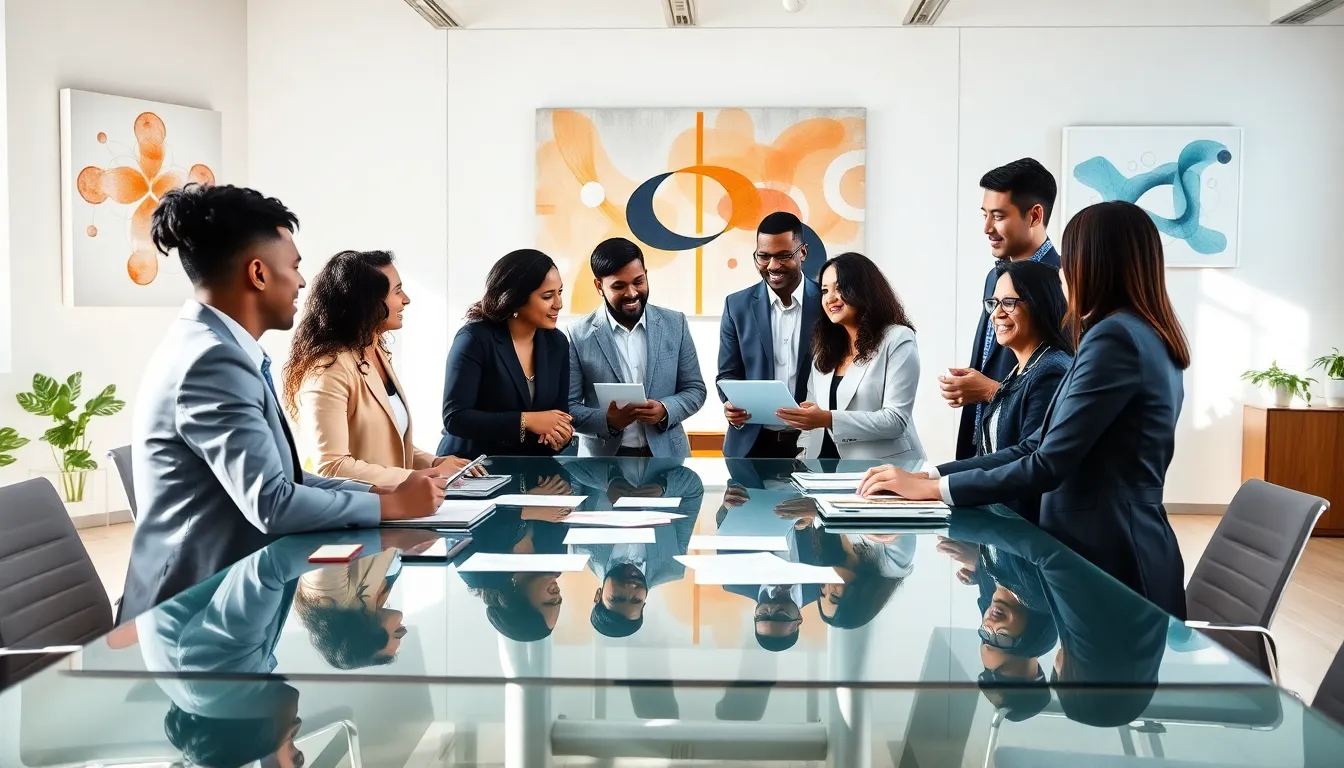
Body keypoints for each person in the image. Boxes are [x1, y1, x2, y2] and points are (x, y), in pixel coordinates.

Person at [119, 184, 444, 621]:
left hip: (232, 601)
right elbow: (272, 503)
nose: (303, 281)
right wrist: (390, 505)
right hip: (194, 616)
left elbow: (289, 479)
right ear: (258, 273)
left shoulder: (219, 347)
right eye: (294, 266)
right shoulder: (212, 361)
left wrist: (383, 491)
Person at [860, 201, 1191, 618]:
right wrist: (931, 478)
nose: (1065, 273)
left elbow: (1048, 462)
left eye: (1069, 260)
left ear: (1094, 263)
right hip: (1112, 546)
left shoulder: (1114, 339)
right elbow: (1036, 445)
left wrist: (932, 490)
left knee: (1108, 683)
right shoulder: (1137, 332)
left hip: (1111, 556)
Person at [284, 250, 480, 485]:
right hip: (358, 512)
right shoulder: (329, 369)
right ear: (367, 303)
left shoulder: (375, 351)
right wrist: (419, 478)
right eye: (397, 291)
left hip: (395, 507)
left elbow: (389, 447)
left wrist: (434, 463)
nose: (406, 299)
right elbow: (330, 466)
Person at [943, 159, 1061, 461]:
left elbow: (1062, 383)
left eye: (997, 216)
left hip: (1025, 456)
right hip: (984, 445)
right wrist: (970, 383)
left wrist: (989, 389)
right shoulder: (994, 277)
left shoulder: (1063, 282)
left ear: (1035, 215)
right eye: (984, 215)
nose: (986, 228)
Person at [776, 252, 926, 463]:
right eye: (825, 291)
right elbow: (810, 419)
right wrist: (804, 460)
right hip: (824, 471)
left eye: (840, 288)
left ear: (863, 290)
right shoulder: (823, 350)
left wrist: (828, 419)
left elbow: (895, 420)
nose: (830, 299)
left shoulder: (898, 338)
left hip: (886, 470)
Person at [568, 238, 707, 457]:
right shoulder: (577, 334)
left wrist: (665, 410)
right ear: (599, 286)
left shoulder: (675, 324)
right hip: (603, 467)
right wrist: (607, 421)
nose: (632, 293)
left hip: (667, 458)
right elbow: (568, 407)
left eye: (638, 281)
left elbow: (695, 390)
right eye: (619, 286)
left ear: (646, 275)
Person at [439, 249, 573, 457]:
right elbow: (455, 418)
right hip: (473, 470)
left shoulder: (557, 343)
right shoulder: (474, 339)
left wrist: (559, 436)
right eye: (548, 296)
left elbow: (559, 417)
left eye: (560, 292)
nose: (559, 304)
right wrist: (526, 420)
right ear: (517, 299)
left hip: (530, 473)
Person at [974, 260, 1073, 523]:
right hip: (1001, 526)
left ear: (1039, 304)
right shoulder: (1023, 368)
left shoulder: (1051, 370)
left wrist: (937, 484)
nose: (996, 314)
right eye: (993, 304)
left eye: (1009, 303)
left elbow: (1027, 463)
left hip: (1024, 535)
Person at [717, 212, 822, 459]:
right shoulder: (737, 305)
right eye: (764, 256)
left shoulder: (827, 305)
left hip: (812, 443)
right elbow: (728, 374)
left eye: (784, 255)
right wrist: (730, 405)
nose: (773, 266)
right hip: (749, 446)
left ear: (803, 253)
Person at [564, 458, 702, 638]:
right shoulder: (672, 566)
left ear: (598, 596)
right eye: (636, 599)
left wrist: (608, 481)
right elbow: (693, 490)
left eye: (617, 598)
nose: (630, 587)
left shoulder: (583, 550)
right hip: (660, 450)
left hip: (606, 445)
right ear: (644, 603)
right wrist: (665, 487)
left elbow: (568, 474)